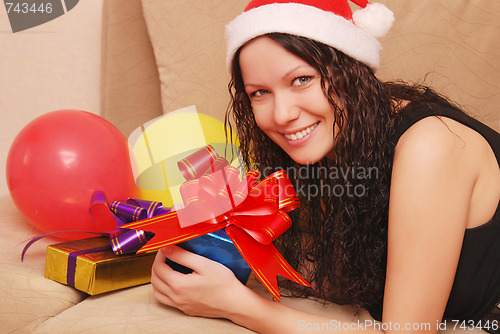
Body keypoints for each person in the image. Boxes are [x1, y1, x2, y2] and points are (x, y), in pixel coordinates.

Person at [150, 0, 500, 333]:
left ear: (348, 69)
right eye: (259, 92)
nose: (282, 114)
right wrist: (216, 254)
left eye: (302, 80)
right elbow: (346, 275)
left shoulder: (431, 145)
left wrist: (236, 305)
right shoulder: (338, 145)